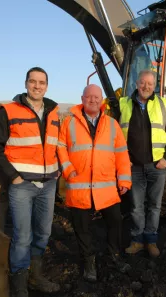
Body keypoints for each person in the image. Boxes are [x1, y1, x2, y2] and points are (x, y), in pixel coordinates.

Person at [0, 67, 60, 297]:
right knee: (22, 237)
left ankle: (35, 277)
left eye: (42, 82)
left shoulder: (54, 112)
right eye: (33, 81)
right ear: (26, 83)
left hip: (48, 185)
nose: (37, 86)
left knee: (43, 233)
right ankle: (19, 287)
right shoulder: (9, 111)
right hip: (22, 185)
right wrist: (13, 176)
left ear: (47, 86)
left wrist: (57, 172)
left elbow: (57, 144)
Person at [57, 84, 132, 282]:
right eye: (89, 97)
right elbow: (61, 147)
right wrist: (68, 169)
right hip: (79, 187)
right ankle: (89, 262)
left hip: (106, 188)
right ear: (82, 99)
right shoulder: (69, 123)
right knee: (82, 229)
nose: (93, 100)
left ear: (101, 101)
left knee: (115, 222)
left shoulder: (112, 124)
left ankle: (114, 256)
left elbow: (121, 154)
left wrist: (124, 178)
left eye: (97, 97)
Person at [118, 69, 166, 258]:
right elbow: (116, 135)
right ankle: (137, 240)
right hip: (133, 166)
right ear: (136, 83)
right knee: (136, 207)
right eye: (143, 83)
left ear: (155, 86)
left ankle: (151, 241)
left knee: (154, 206)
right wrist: (122, 158)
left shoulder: (163, 105)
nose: (146, 87)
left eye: (150, 84)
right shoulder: (124, 104)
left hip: (156, 166)